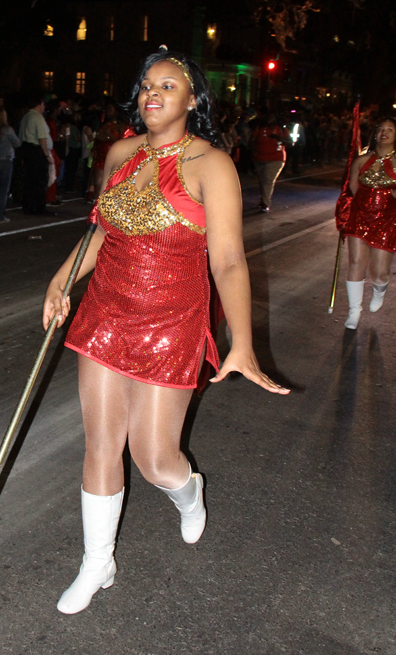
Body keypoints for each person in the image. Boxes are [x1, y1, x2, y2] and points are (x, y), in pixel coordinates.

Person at [42, 49, 289, 615]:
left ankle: (189, 491)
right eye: (147, 84)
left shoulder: (212, 165)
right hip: (106, 310)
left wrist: (242, 345)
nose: (153, 94)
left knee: (154, 459)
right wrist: (61, 282)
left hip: (172, 321)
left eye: (168, 85)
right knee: (101, 444)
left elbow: (227, 260)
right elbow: (100, 233)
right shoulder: (121, 152)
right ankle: (97, 562)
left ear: (193, 98)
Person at [340, 117, 396, 329]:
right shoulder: (362, 161)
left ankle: (379, 289)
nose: (385, 132)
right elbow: (352, 188)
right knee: (356, 263)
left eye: (390, 129)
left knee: (380, 272)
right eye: (381, 129)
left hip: (389, 220)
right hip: (360, 216)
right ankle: (354, 311)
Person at [19, 93, 55, 215]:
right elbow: (42, 138)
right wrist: (46, 155)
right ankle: (38, 207)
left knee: (30, 180)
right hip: (36, 151)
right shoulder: (37, 117)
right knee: (40, 180)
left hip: (27, 149)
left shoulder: (26, 117)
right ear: (39, 104)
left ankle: (28, 205)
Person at [250, 112, 287, 212]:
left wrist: (279, 138)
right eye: (268, 117)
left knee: (267, 180)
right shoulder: (260, 128)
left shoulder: (281, 129)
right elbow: (252, 140)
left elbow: (289, 142)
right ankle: (263, 200)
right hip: (260, 157)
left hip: (276, 159)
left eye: (272, 117)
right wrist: (253, 152)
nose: (270, 119)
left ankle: (265, 203)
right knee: (262, 180)